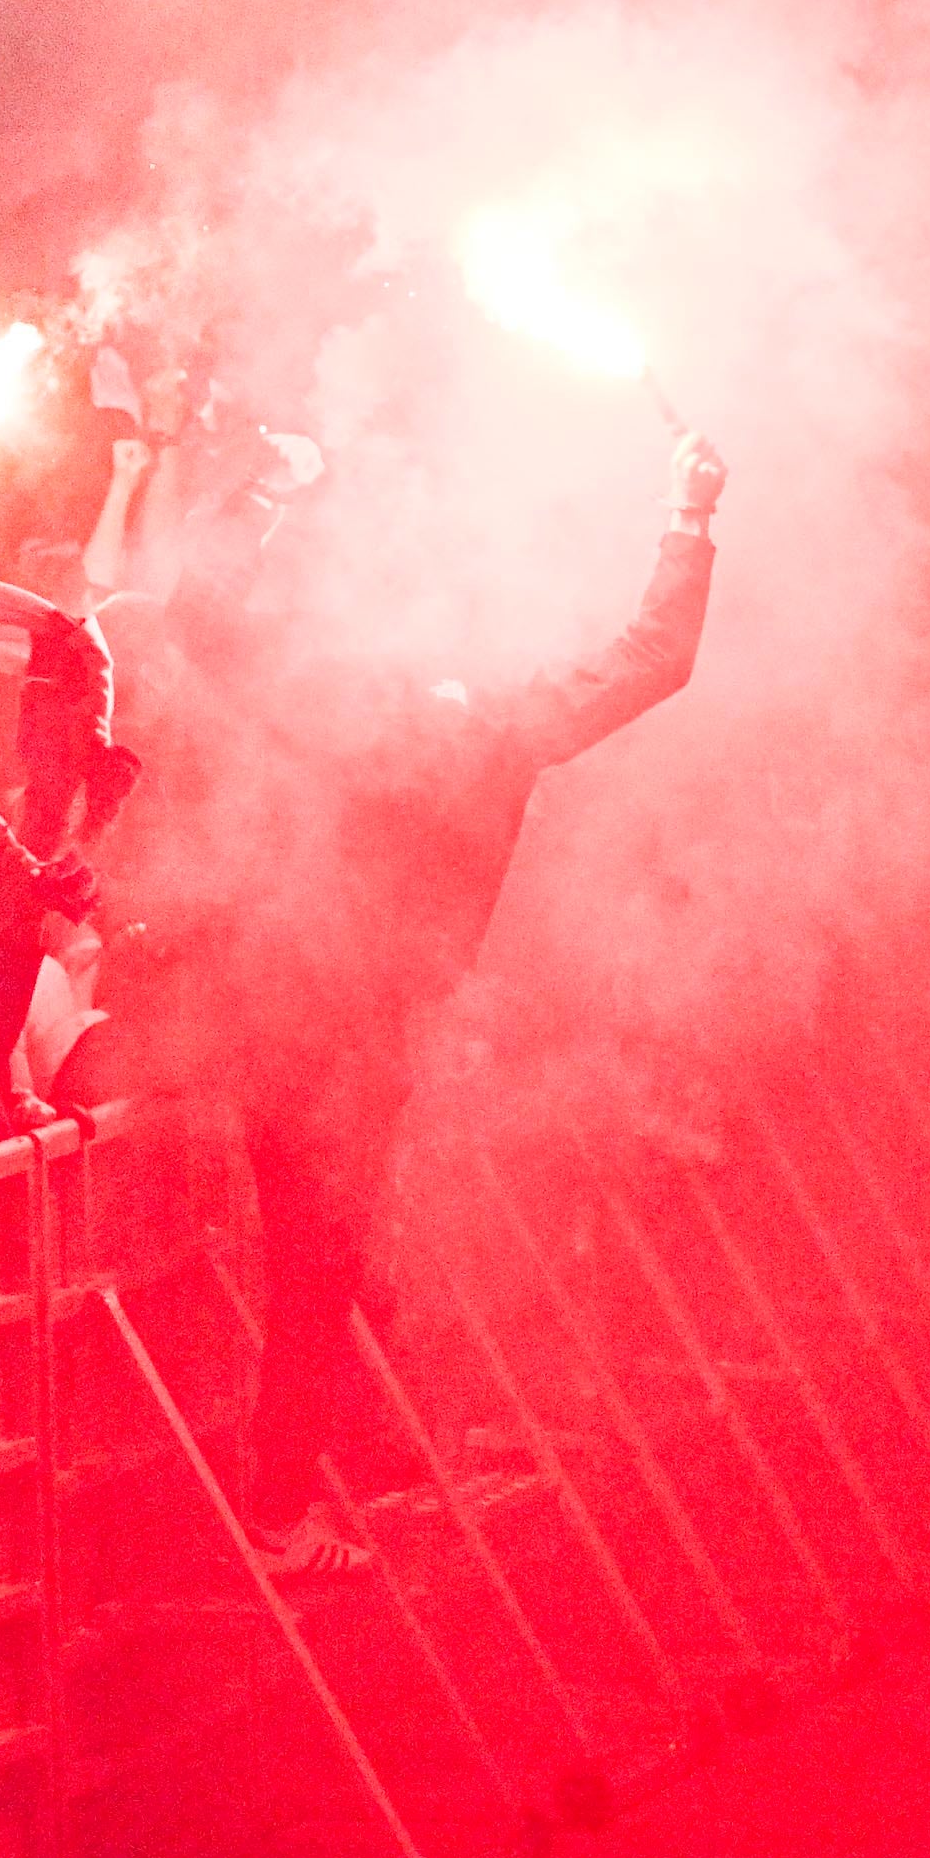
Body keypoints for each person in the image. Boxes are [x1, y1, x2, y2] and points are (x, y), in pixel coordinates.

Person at [214, 434, 723, 1567]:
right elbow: (650, 660)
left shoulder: (363, 713)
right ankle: (280, 1513)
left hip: (295, 1019)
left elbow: (216, 632)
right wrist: (687, 515)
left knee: (339, 1262)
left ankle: (335, 1464)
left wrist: (267, 501)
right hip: (334, 1032)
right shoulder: (489, 728)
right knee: (318, 1273)